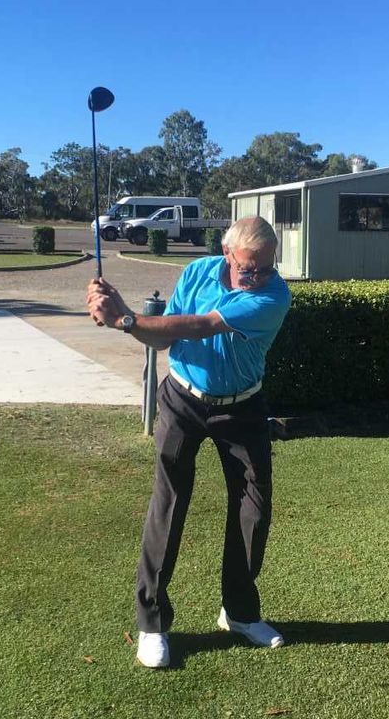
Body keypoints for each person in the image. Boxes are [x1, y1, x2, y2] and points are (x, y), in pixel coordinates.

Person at [86, 216, 292, 668]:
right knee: (170, 501)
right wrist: (123, 320)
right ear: (226, 253)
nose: (257, 277)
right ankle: (152, 623)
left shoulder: (272, 296)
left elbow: (199, 325)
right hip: (182, 398)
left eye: (266, 268)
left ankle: (238, 613)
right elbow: (162, 337)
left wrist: (125, 317)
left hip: (241, 407)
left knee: (253, 510)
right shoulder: (197, 273)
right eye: (248, 268)